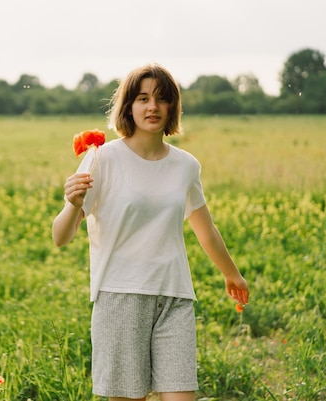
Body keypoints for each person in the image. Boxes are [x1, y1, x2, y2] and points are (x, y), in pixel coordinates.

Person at [52, 63, 250, 401]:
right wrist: (71, 204)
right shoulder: (103, 158)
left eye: (161, 99)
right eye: (142, 98)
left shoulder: (186, 165)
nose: (152, 107)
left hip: (175, 297)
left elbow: (206, 229)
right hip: (121, 297)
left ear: (173, 106)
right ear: (129, 106)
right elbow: (61, 236)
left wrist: (232, 274)